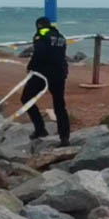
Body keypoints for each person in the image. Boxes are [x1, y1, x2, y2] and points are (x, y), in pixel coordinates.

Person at [22, 16, 71, 145]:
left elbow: (39, 53)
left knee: (26, 98)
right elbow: (62, 54)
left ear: (39, 25)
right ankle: (64, 137)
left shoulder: (41, 34)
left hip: (42, 73)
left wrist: (30, 67)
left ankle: (40, 128)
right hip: (59, 73)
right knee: (59, 105)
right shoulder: (60, 36)